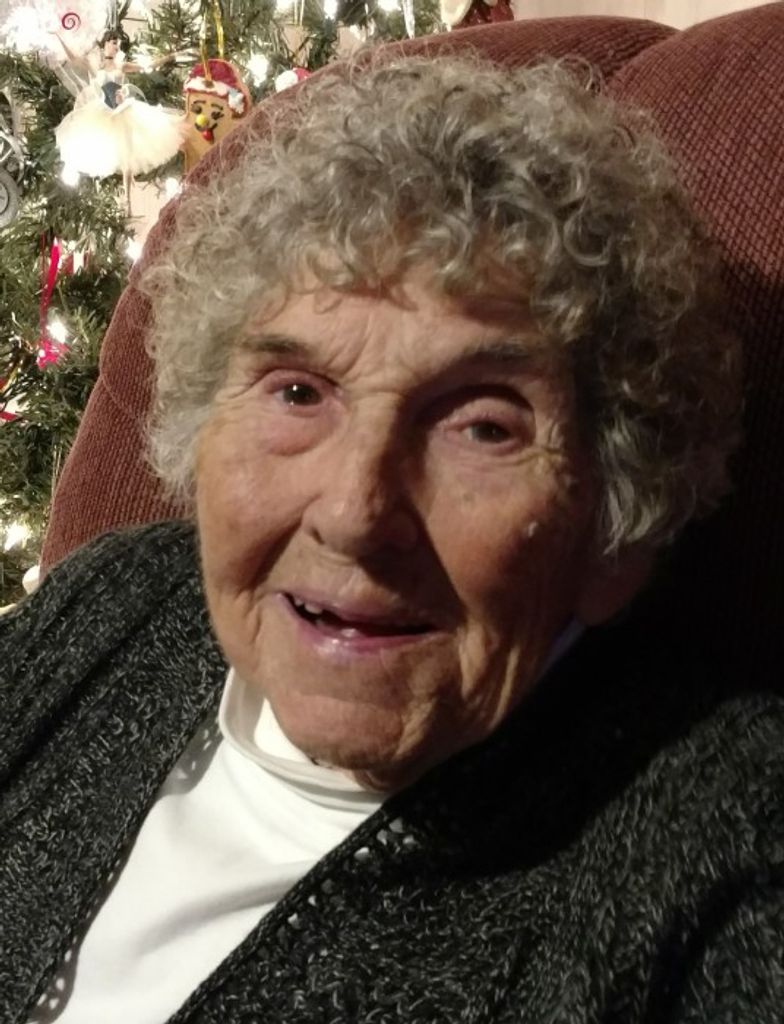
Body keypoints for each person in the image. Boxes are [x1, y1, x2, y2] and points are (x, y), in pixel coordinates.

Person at [2, 53, 781, 1023]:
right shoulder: (116, 599)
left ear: (617, 525)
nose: (354, 513)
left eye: (483, 426)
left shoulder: (726, 846)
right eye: (298, 392)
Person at [53, 28, 182, 208]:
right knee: (105, 149)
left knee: (128, 155)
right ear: (105, 44)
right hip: (103, 112)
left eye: (118, 45)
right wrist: (58, 37)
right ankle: (120, 198)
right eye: (114, 43)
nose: (116, 47)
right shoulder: (95, 66)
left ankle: (128, 201)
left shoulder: (122, 66)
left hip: (124, 111)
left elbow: (148, 66)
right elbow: (74, 58)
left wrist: (169, 57)